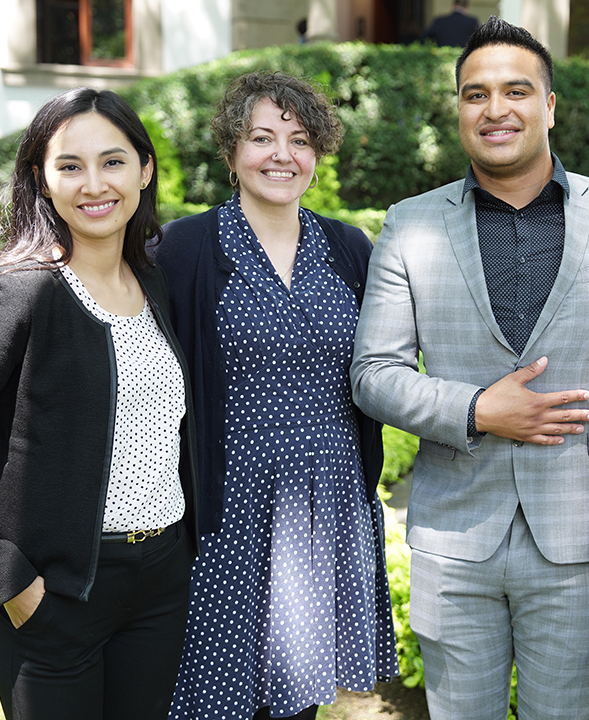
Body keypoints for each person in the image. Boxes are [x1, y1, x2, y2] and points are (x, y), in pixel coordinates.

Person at [351, 17, 589, 720]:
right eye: (476, 94)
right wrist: (475, 410)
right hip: (454, 539)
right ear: (459, 109)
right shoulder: (411, 223)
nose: (496, 109)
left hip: (580, 534)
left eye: (516, 91)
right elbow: (373, 371)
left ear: (549, 106)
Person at [0, 87, 199, 719]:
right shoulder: (21, 296)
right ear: (42, 179)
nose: (95, 184)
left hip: (161, 585)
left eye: (113, 162)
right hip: (57, 593)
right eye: (70, 166)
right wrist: (10, 584)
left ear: (144, 170)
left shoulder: (153, 282)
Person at [153, 71, 398, 720]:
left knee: (295, 700)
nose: (281, 155)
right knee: (212, 696)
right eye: (261, 138)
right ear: (231, 154)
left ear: (318, 153)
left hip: (325, 503)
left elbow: (383, 364)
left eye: (298, 139)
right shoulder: (183, 250)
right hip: (226, 506)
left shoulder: (347, 248)